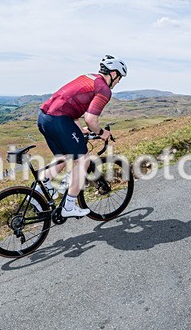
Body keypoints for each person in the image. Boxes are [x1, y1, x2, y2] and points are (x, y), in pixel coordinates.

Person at [37, 55, 126, 217]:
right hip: (59, 120)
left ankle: (38, 191)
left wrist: (81, 130)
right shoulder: (104, 89)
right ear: (113, 74)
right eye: (119, 78)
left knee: (63, 156)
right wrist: (101, 132)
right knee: (83, 160)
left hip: (44, 117)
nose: (119, 82)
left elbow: (71, 107)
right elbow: (91, 119)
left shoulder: (88, 77)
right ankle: (69, 206)